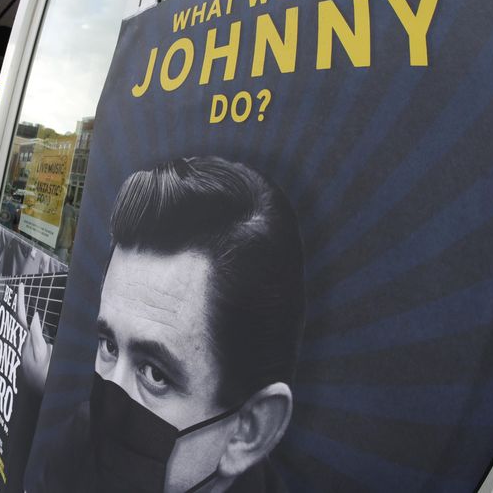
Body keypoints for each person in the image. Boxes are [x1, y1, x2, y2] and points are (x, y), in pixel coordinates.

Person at [25, 156, 306, 493]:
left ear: (249, 430)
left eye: (155, 374)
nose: (106, 408)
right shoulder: (77, 443)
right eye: (109, 346)